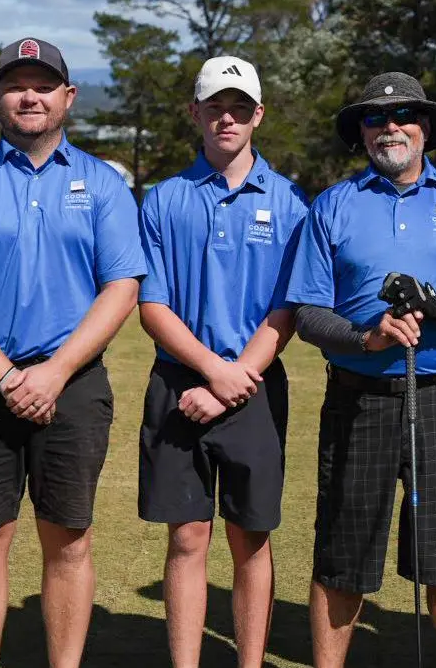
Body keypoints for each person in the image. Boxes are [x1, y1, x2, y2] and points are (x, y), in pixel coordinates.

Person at [0, 37, 146, 668]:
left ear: (67, 97)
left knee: (69, 541)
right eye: (16, 85)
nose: (30, 96)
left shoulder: (103, 184)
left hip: (74, 386)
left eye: (44, 85)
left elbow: (121, 287)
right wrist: (10, 377)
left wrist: (55, 372)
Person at [285, 72, 436, 668]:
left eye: (405, 115)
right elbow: (308, 312)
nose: (391, 127)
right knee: (343, 554)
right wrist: (369, 335)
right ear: (360, 133)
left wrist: (434, 306)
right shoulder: (332, 205)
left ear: (426, 128)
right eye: (375, 118)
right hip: (358, 399)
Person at [135, 56, 309, 668]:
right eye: (215, 106)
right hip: (179, 381)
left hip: (256, 380)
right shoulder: (163, 200)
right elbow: (151, 304)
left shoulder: (290, 201)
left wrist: (235, 380)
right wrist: (214, 371)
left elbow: (288, 308)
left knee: (250, 537)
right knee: (187, 536)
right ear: (196, 114)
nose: (227, 117)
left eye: (239, 107)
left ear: (258, 115)